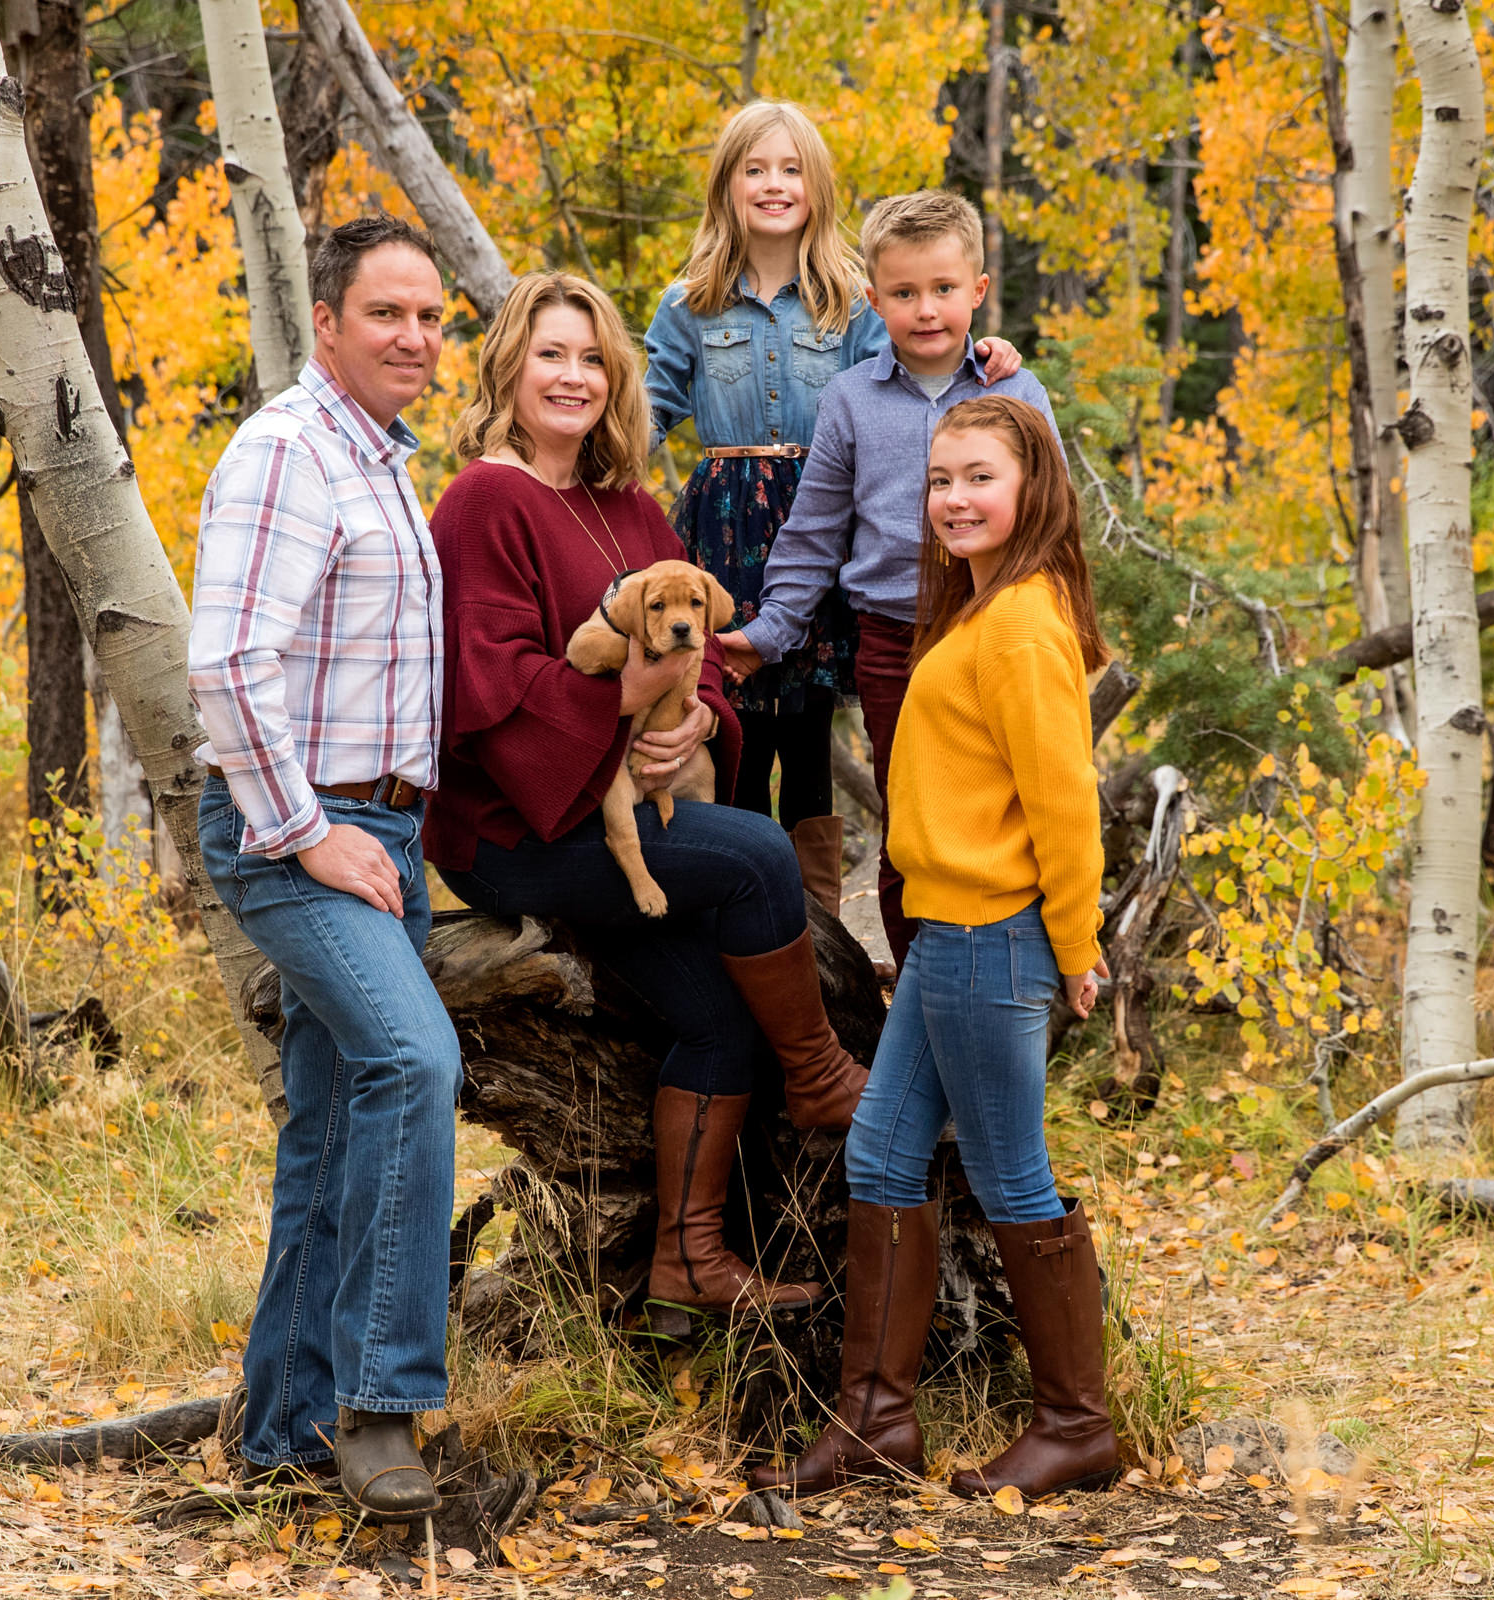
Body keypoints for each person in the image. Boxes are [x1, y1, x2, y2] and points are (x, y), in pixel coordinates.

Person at [424, 273, 867, 1333]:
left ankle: (685, 1266)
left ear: (617, 379)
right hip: (519, 827)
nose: (572, 377)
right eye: (551, 355)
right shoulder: (485, 500)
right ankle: (824, 1082)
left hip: (629, 810)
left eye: (592, 359)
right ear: (509, 371)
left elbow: (698, 645)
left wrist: (701, 725)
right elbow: (485, 685)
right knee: (760, 856)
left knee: (716, 1016)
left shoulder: (628, 506)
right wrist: (624, 700)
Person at [752, 396, 1118, 1499]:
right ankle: (875, 1422)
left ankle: (1076, 1424)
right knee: (880, 1155)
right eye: (940, 479)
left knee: (1013, 1177)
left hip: (990, 935)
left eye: (980, 478)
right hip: (947, 934)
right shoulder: (982, 603)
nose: (955, 498)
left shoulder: (1019, 621)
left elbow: (1065, 797)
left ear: (1033, 485)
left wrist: (1077, 941)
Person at [187, 214, 458, 1521]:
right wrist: (308, 829)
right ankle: (384, 1406)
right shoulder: (289, 452)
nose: (414, 338)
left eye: (432, 318)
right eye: (389, 314)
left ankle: (280, 1437)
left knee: (337, 1125)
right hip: (294, 835)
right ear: (329, 325)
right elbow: (229, 664)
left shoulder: (381, 462)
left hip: (377, 834)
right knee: (415, 1064)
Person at [645, 106, 1022, 917]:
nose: (774, 185)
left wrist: (987, 352)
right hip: (726, 532)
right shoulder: (690, 302)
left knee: (807, 724)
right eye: (755, 169)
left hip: (823, 522)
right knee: (729, 710)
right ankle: (740, 898)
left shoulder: (855, 304)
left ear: (816, 187)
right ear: (727, 185)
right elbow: (645, 411)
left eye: (790, 169)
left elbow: (912, 378)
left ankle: (818, 922)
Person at [715, 189, 1058, 976]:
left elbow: (1052, 526)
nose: (926, 309)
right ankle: (920, 993)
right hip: (894, 643)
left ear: (978, 290)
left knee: (1008, 814)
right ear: (874, 300)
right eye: (904, 293)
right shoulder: (851, 401)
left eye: (944, 289)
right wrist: (768, 633)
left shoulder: (1017, 393)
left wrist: (1062, 632)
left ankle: (1013, 978)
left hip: (1002, 633)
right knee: (912, 827)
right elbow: (814, 532)